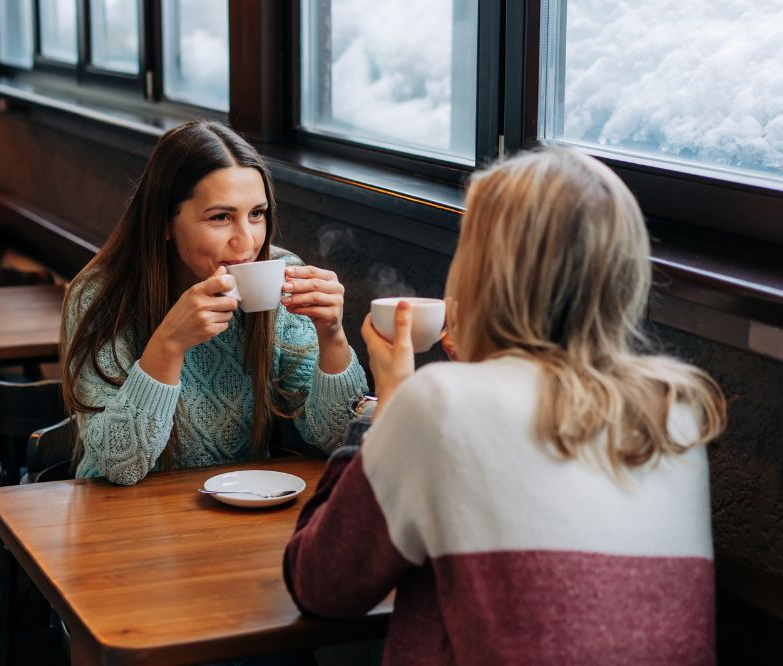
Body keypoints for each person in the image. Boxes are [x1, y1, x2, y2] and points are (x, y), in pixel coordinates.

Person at [283, 149, 727, 665]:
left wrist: (387, 408)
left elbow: (320, 584)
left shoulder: (440, 403)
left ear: (483, 272)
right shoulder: (675, 410)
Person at [60, 120, 367, 485]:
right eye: (221, 217)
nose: (247, 242)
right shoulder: (101, 296)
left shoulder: (281, 275)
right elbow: (120, 466)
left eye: (257, 214)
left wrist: (332, 335)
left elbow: (340, 439)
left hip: (242, 501)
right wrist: (169, 343)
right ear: (164, 222)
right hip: (117, 508)